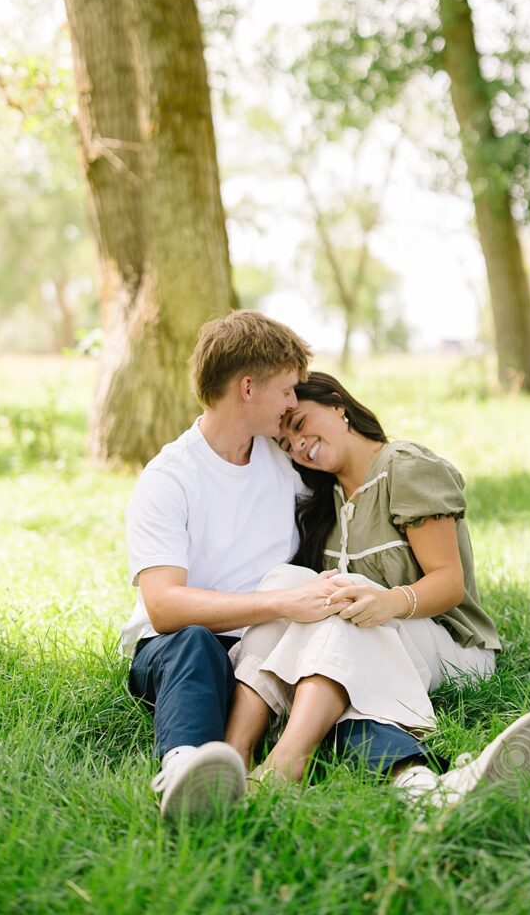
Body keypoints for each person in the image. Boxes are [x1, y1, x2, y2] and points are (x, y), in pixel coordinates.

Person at [226, 371, 530, 807]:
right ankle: (422, 788)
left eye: (300, 425)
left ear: (337, 405)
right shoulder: (324, 503)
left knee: (346, 614)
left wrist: (387, 602)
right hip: (366, 647)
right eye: (288, 446)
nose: (299, 446)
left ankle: (284, 764)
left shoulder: (404, 468)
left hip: (448, 642)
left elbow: (449, 583)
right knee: (284, 586)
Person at [121, 311, 359, 820]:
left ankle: (419, 777)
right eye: (288, 390)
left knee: (336, 671)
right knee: (195, 643)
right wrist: (280, 603)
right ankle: (185, 772)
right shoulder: (169, 479)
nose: (295, 403)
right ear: (247, 387)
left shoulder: (282, 462)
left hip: (265, 650)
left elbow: (349, 478)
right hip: (179, 652)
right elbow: (164, 607)